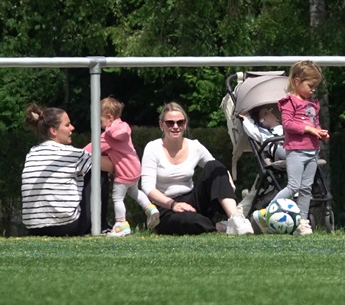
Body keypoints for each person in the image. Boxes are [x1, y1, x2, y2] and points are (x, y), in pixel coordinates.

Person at [140, 102, 253, 235]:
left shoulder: (194, 146)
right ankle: (220, 226)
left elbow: (215, 167)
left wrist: (227, 179)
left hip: (193, 200)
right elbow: (148, 187)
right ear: (161, 125)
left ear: (185, 124)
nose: (175, 126)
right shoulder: (153, 148)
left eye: (180, 122)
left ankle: (236, 218)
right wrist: (173, 205)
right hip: (165, 206)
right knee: (186, 220)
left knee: (214, 167)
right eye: (170, 123)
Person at [260, 61, 330, 236]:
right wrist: (309, 129)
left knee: (306, 188)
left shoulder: (313, 104)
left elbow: (314, 123)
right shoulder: (289, 102)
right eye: (310, 86)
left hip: (312, 150)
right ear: (297, 81)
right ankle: (269, 212)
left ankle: (302, 221)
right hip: (296, 151)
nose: (313, 90)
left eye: (315, 87)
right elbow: (288, 124)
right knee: (293, 186)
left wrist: (320, 132)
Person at [21, 103, 110, 236]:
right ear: (54, 131)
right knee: (98, 171)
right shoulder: (70, 154)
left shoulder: (32, 153)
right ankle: (101, 226)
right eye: (67, 125)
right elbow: (110, 166)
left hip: (34, 227)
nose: (72, 128)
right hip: (67, 225)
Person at [83, 97, 159, 236]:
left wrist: (76, 154)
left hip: (123, 172)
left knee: (117, 198)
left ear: (109, 117)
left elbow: (90, 149)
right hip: (135, 169)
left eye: (100, 121)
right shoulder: (125, 128)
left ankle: (121, 224)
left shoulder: (107, 136)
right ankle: (150, 208)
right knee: (134, 191)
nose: (100, 125)